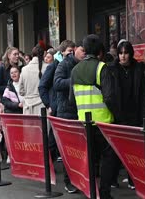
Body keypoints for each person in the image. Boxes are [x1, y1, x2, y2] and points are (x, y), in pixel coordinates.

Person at [69, 34, 117, 199]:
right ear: (100, 51)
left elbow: (71, 99)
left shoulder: (75, 70)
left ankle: (89, 191)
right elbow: (110, 97)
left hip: (83, 123)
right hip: (103, 123)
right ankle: (104, 193)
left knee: (88, 159)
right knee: (107, 159)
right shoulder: (102, 68)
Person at [105, 40, 145, 190]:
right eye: (121, 53)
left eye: (126, 53)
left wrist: (144, 116)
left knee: (135, 150)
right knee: (115, 150)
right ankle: (112, 178)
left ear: (130, 54)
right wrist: (117, 115)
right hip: (117, 115)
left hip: (135, 114)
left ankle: (133, 179)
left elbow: (144, 94)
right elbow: (109, 96)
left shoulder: (138, 68)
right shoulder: (112, 69)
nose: (123, 56)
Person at [51, 40, 84, 193]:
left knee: (78, 149)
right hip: (65, 111)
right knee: (67, 148)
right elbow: (56, 83)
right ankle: (68, 181)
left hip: (80, 110)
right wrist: (74, 81)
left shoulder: (84, 64)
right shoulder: (64, 64)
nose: (84, 54)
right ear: (75, 50)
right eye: (82, 50)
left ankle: (78, 179)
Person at [19, 45, 47, 115]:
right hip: (42, 106)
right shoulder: (47, 67)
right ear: (43, 54)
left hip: (27, 107)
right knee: (42, 126)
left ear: (32, 55)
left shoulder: (24, 69)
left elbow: (21, 91)